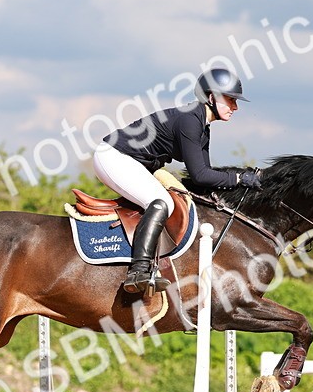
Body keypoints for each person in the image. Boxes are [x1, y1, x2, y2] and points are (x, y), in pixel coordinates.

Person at [93, 67, 264, 294]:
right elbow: (200, 175)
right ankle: (139, 271)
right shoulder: (189, 121)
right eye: (231, 100)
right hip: (114, 157)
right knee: (161, 201)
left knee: (173, 197)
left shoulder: (202, 126)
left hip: (131, 161)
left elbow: (204, 176)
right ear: (211, 97)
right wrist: (240, 178)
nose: (235, 107)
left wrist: (235, 183)